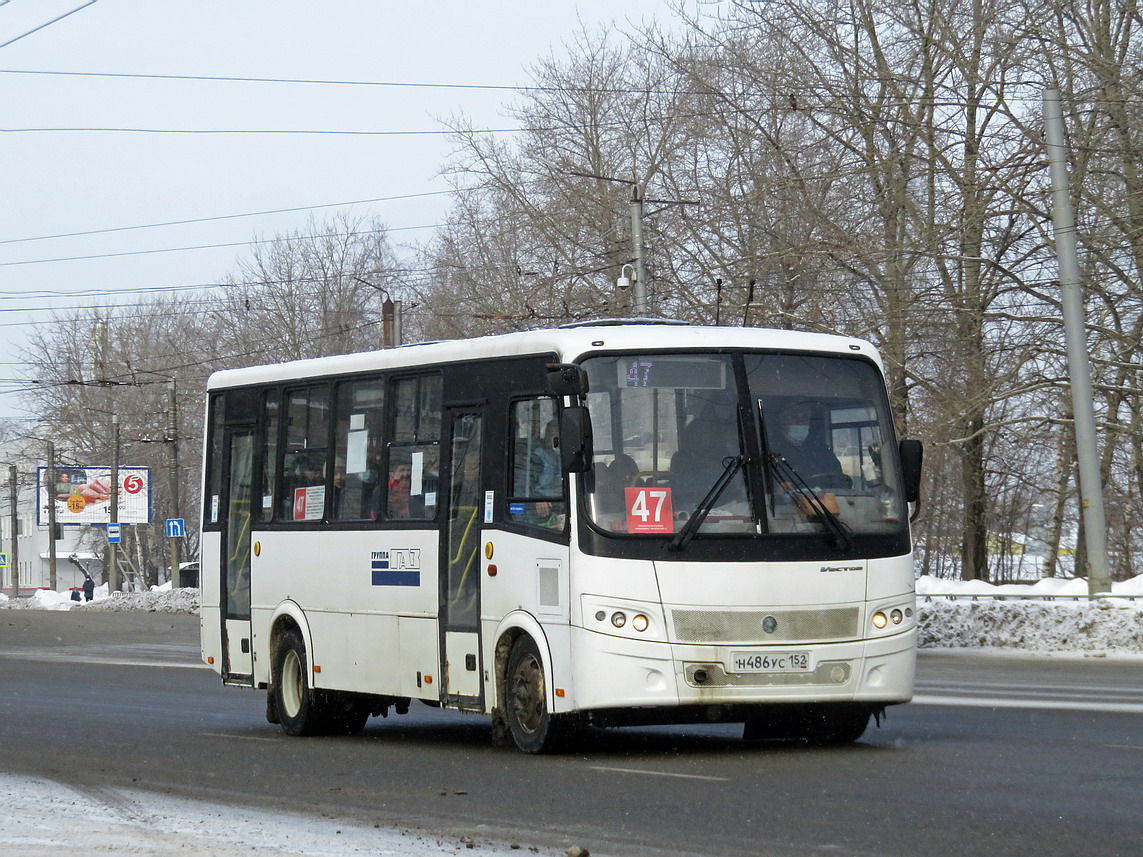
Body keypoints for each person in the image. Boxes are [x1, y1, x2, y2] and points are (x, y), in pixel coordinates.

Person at [770, 400, 847, 489]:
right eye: (793, 417)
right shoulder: (771, 450)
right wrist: (778, 489)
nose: (800, 422)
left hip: (822, 501)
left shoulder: (822, 450)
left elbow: (840, 483)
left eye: (805, 417)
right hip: (788, 502)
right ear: (781, 420)